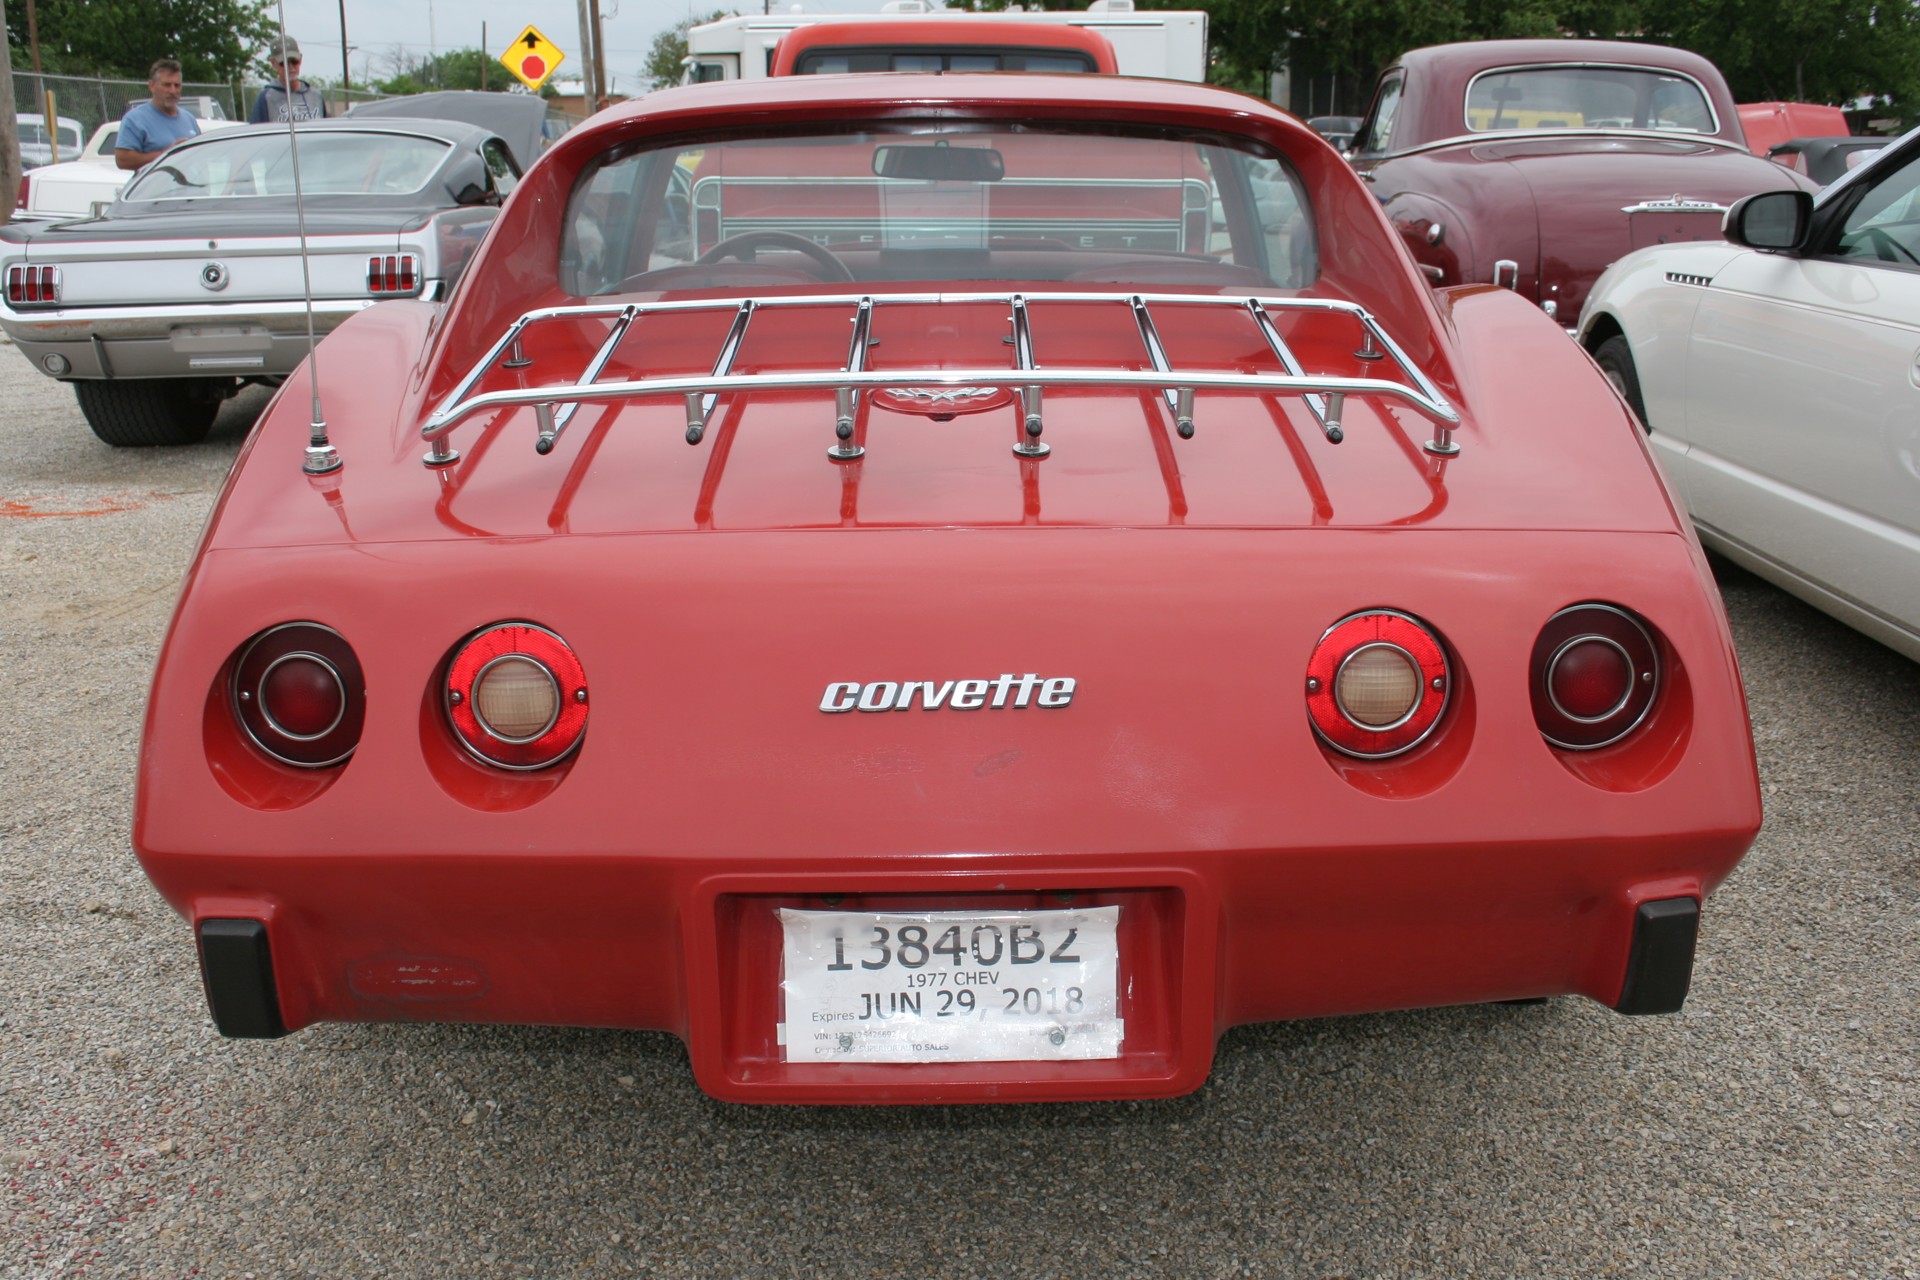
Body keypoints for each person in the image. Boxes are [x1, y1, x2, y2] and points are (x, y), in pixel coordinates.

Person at [115, 58, 200, 170]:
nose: (172, 90)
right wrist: (167, 154)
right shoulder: (135, 119)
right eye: (167, 85)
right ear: (151, 86)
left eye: (177, 85)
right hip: (156, 187)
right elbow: (122, 160)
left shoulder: (189, 119)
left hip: (189, 186)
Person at [250, 36, 327, 123]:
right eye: (283, 62)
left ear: (300, 59)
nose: (290, 67)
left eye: (294, 61)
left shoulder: (316, 96)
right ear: (273, 63)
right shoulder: (267, 98)